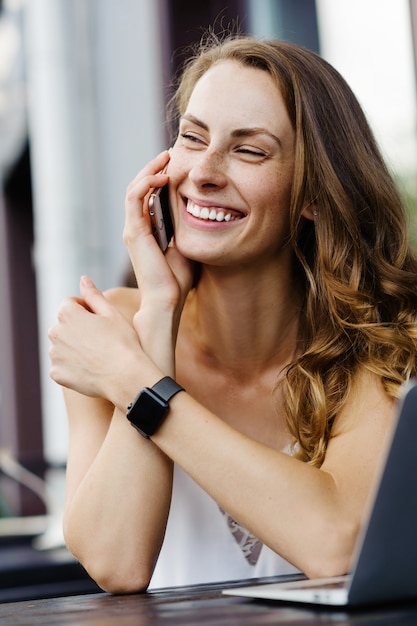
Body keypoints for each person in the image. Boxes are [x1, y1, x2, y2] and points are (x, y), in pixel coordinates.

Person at [48, 33, 417, 594]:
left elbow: (338, 543)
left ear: (314, 193)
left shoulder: (371, 340)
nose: (205, 172)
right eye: (192, 139)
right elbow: (116, 563)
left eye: (249, 150)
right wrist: (158, 318)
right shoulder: (113, 327)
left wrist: (135, 381)